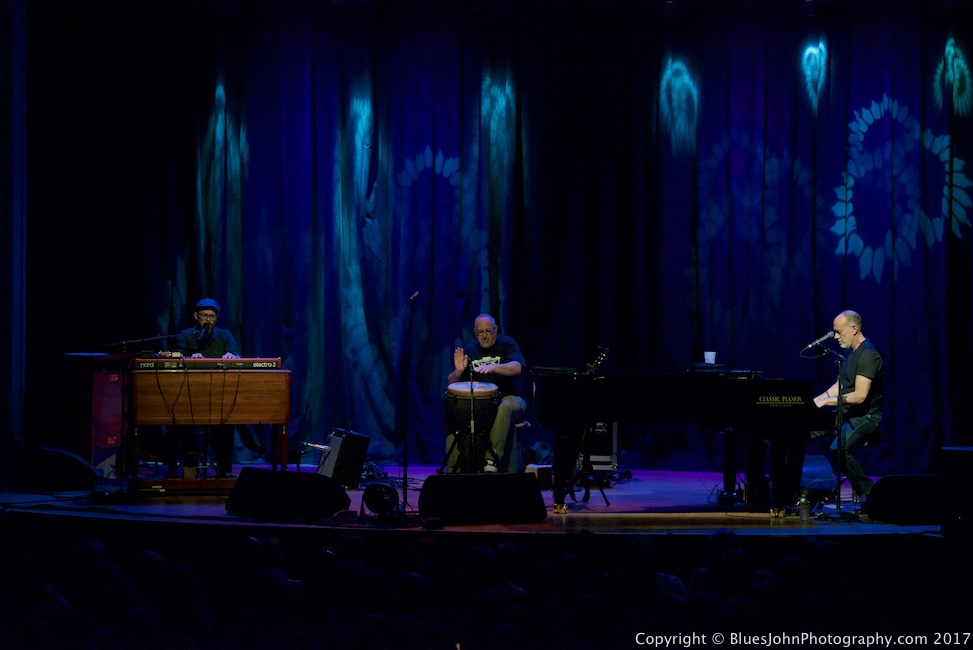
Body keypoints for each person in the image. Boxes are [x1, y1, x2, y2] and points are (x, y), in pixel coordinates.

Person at [812, 310, 883, 502]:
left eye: (838, 332)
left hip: (865, 417)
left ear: (854, 328)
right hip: (845, 413)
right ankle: (793, 490)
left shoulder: (869, 355)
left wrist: (825, 402)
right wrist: (813, 402)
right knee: (799, 431)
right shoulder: (849, 352)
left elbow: (859, 396)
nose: (835, 336)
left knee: (838, 449)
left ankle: (870, 494)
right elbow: (840, 385)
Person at [166, 298, 241, 478]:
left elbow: (237, 355)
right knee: (176, 420)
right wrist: (190, 358)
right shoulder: (185, 335)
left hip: (218, 395)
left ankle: (223, 469)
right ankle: (187, 465)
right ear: (195, 316)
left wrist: (233, 356)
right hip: (189, 395)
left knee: (227, 422)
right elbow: (177, 358)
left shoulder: (224, 335)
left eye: (212, 316)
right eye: (205, 316)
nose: (208, 320)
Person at [445, 314, 527, 473]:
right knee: (453, 413)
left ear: (496, 329)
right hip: (482, 406)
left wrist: (494, 367)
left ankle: (491, 460)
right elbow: (451, 384)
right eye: (480, 332)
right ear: (475, 332)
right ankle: (453, 470)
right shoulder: (469, 350)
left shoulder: (507, 343)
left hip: (511, 399)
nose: (484, 335)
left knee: (504, 407)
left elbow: (517, 368)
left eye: (488, 331)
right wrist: (458, 371)